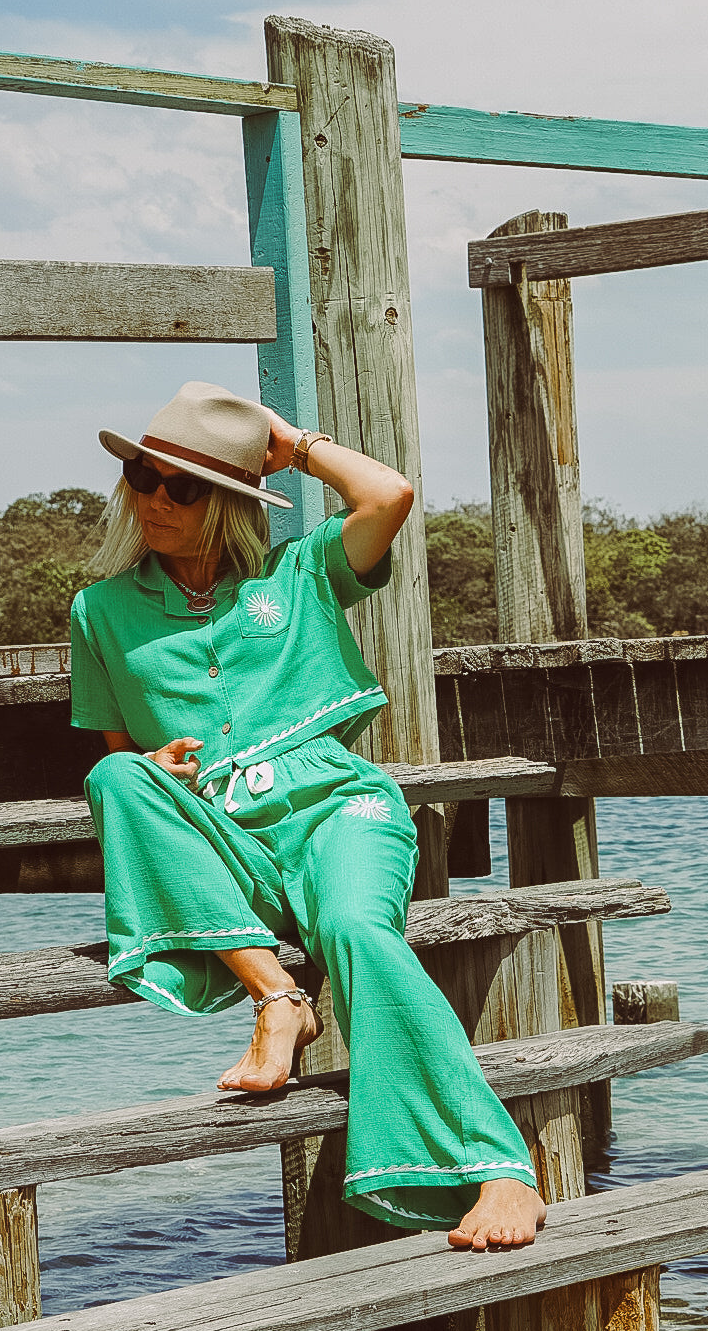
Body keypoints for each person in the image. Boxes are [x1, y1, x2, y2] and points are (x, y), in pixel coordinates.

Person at [70, 381, 546, 1251]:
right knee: (118, 780)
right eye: (142, 476)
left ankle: (499, 1167)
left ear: (228, 502)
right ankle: (277, 998)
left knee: (359, 931)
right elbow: (120, 751)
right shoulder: (99, 610)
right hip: (229, 846)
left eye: (183, 486)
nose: (154, 499)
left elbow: (388, 495)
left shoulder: (302, 573)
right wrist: (156, 763)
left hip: (338, 814)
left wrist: (290, 444)